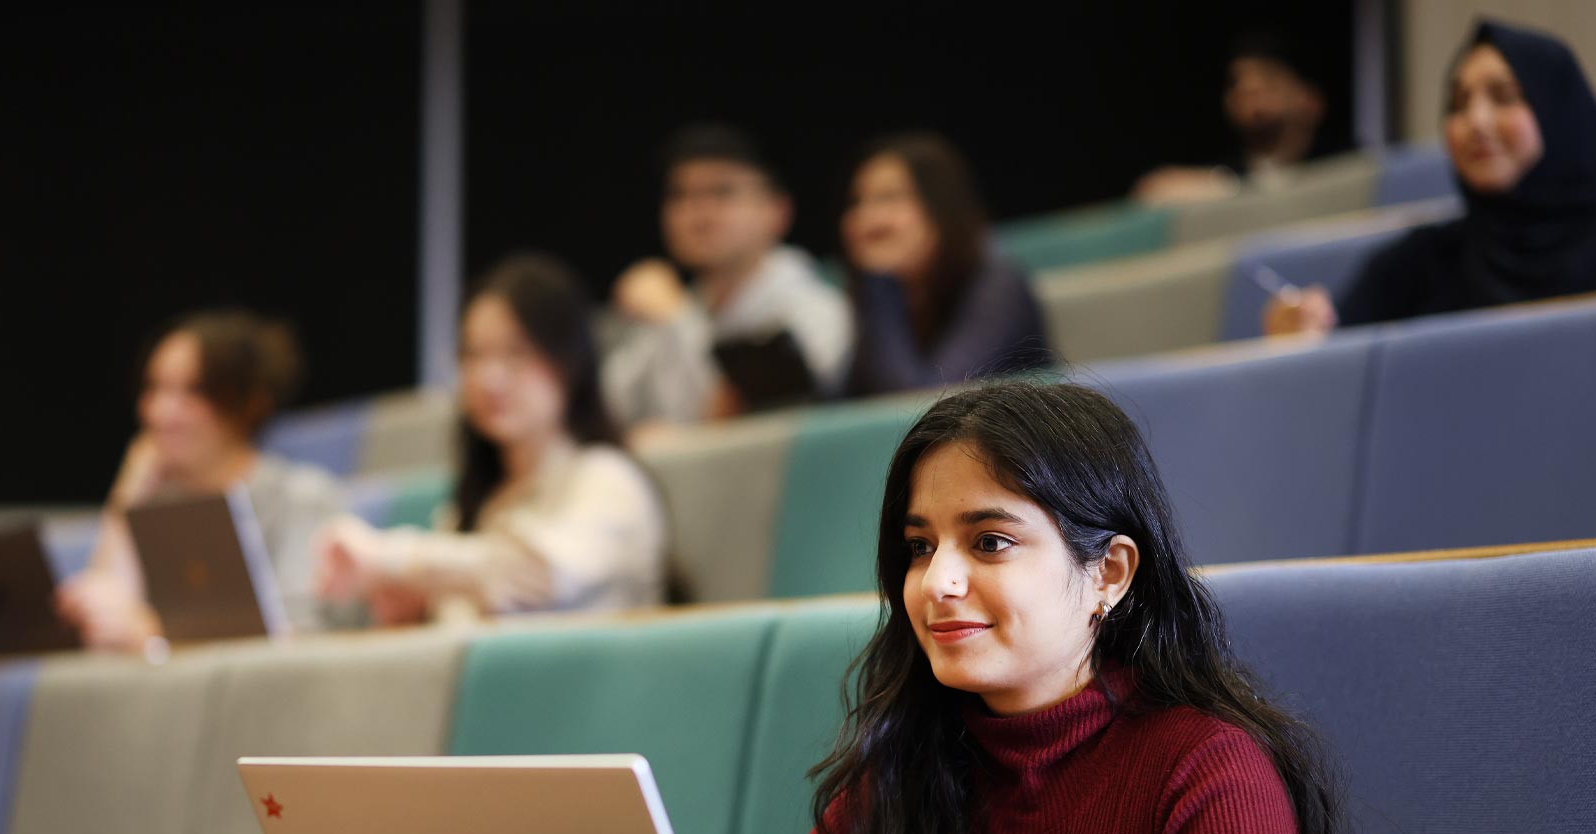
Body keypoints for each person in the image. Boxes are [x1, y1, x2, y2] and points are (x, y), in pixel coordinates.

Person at [716, 381, 1363, 834]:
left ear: (1109, 574)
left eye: (990, 542)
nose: (937, 582)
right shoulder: (907, 763)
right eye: (919, 547)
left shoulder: (1208, 768)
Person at [1265, 18, 1596, 336]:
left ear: (1559, 116)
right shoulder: (1420, 263)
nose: (1475, 121)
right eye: (1458, 104)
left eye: (1504, 97)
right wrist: (1306, 334)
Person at [318, 253, 669, 624]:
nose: (489, 379)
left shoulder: (607, 477)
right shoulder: (481, 501)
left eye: (515, 352)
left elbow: (536, 575)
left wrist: (396, 558)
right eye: (473, 354)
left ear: (569, 361)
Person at [57, 309, 347, 653]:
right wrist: (128, 495)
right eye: (154, 388)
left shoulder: (300, 495)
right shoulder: (157, 502)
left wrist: (152, 636)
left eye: (191, 391)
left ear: (246, 403)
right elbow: (102, 622)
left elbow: (300, 638)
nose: (161, 412)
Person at [602, 124, 851, 431]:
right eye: (680, 195)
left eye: (722, 192)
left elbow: (738, 424)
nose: (699, 212)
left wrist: (676, 317)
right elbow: (603, 411)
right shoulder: (671, 308)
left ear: (778, 211)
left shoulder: (817, 310)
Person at [842, 134, 1050, 397]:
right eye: (858, 202)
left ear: (940, 205)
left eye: (890, 197)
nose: (867, 218)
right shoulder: (888, 294)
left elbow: (926, 404)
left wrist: (879, 283)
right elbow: (842, 405)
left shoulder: (998, 281)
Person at [1135, 32, 1337, 204]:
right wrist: (1231, 188)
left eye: (1269, 80)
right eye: (1235, 83)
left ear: (1311, 101)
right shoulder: (1225, 178)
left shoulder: (1344, 163)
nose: (1249, 89)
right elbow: (1154, 192)